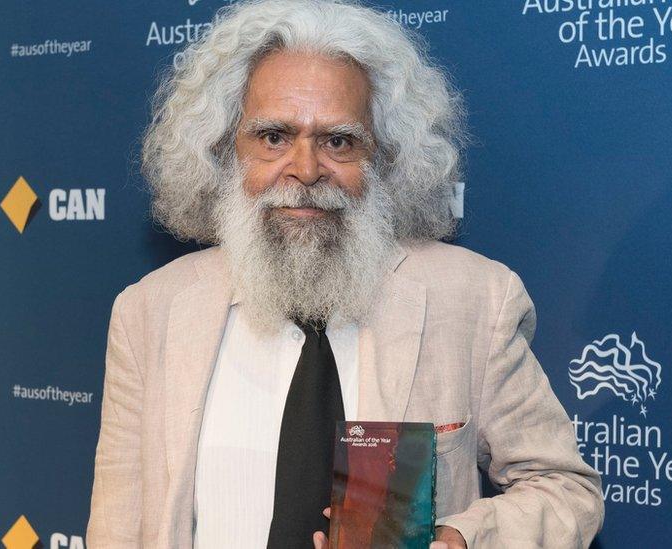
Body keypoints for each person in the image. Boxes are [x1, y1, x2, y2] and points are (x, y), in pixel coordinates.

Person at [86, 1, 604, 547]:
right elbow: (118, 523)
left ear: (384, 156)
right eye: (273, 137)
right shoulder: (150, 311)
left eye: (339, 141)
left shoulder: (476, 299)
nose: (307, 171)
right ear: (223, 150)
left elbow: (564, 489)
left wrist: (462, 538)